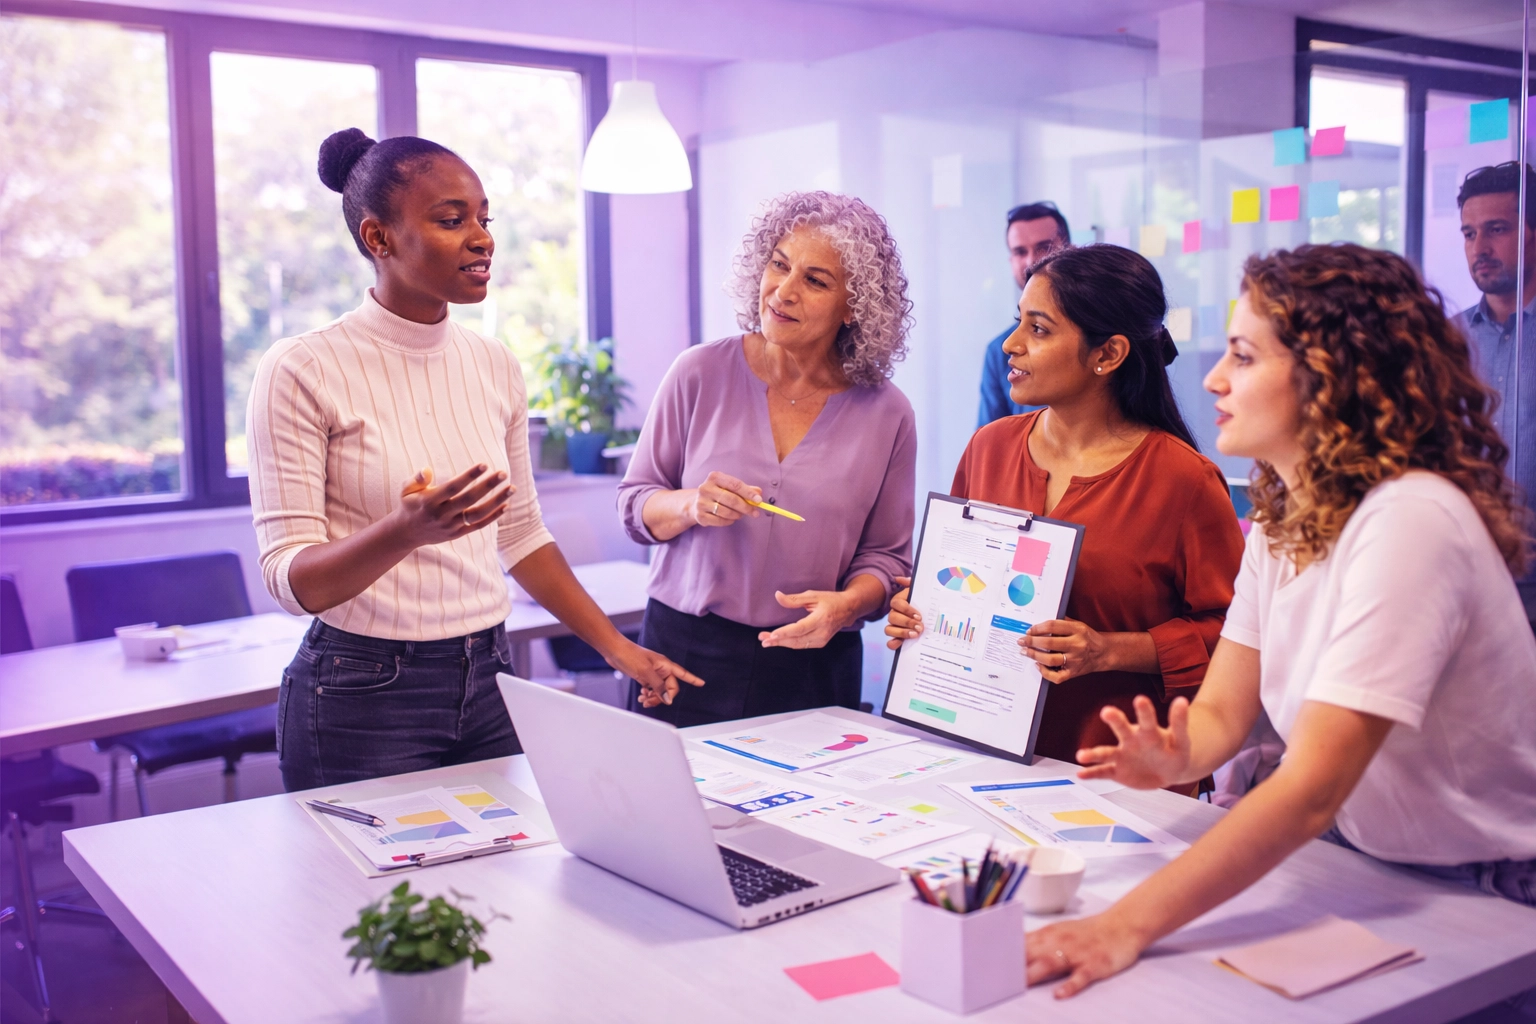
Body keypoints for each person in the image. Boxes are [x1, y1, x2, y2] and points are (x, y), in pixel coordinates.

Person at [1026, 243, 1536, 1000]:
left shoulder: (1411, 519)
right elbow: (1226, 715)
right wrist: (1176, 758)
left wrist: (1122, 926)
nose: (1213, 379)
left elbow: (1311, 788)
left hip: (1487, 890)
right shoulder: (1284, 516)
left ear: (1330, 376)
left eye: (1243, 356)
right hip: (1367, 862)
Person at [248, 128, 701, 791]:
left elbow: (520, 536)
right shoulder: (302, 368)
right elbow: (292, 582)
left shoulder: (493, 365)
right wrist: (405, 531)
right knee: (382, 899)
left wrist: (619, 650)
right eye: (451, 220)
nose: (482, 238)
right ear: (379, 238)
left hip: (491, 677)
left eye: (484, 219)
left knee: (501, 893)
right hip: (362, 694)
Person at [888, 244, 1244, 767]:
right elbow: (955, 580)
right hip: (974, 753)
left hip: (1117, 770)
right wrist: (918, 612)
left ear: (1108, 354)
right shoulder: (988, 448)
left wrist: (1109, 650)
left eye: (1038, 329)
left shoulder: (1184, 481)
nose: (1010, 345)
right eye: (1018, 323)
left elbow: (1239, 636)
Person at [617, 191, 917, 727]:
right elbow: (634, 507)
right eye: (779, 265)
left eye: (815, 280)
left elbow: (888, 560)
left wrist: (846, 607)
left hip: (815, 664)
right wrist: (691, 506)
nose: (784, 290)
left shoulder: (887, 413)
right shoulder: (699, 372)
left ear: (855, 306)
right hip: (684, 654)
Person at [1454, 161, 1536, 626]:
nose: (1479, 249)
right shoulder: (1445, 340)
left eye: (1496, 230)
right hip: (1471, 581)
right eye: (1469, 234)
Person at [977, 202, 1070, 427]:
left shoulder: (1098, 335)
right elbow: (986, 449)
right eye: (1020, 252)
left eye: (1044, 247)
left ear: (1070, 249)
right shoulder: (1000, 352)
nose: (1031, 262)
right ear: (1011, 261)